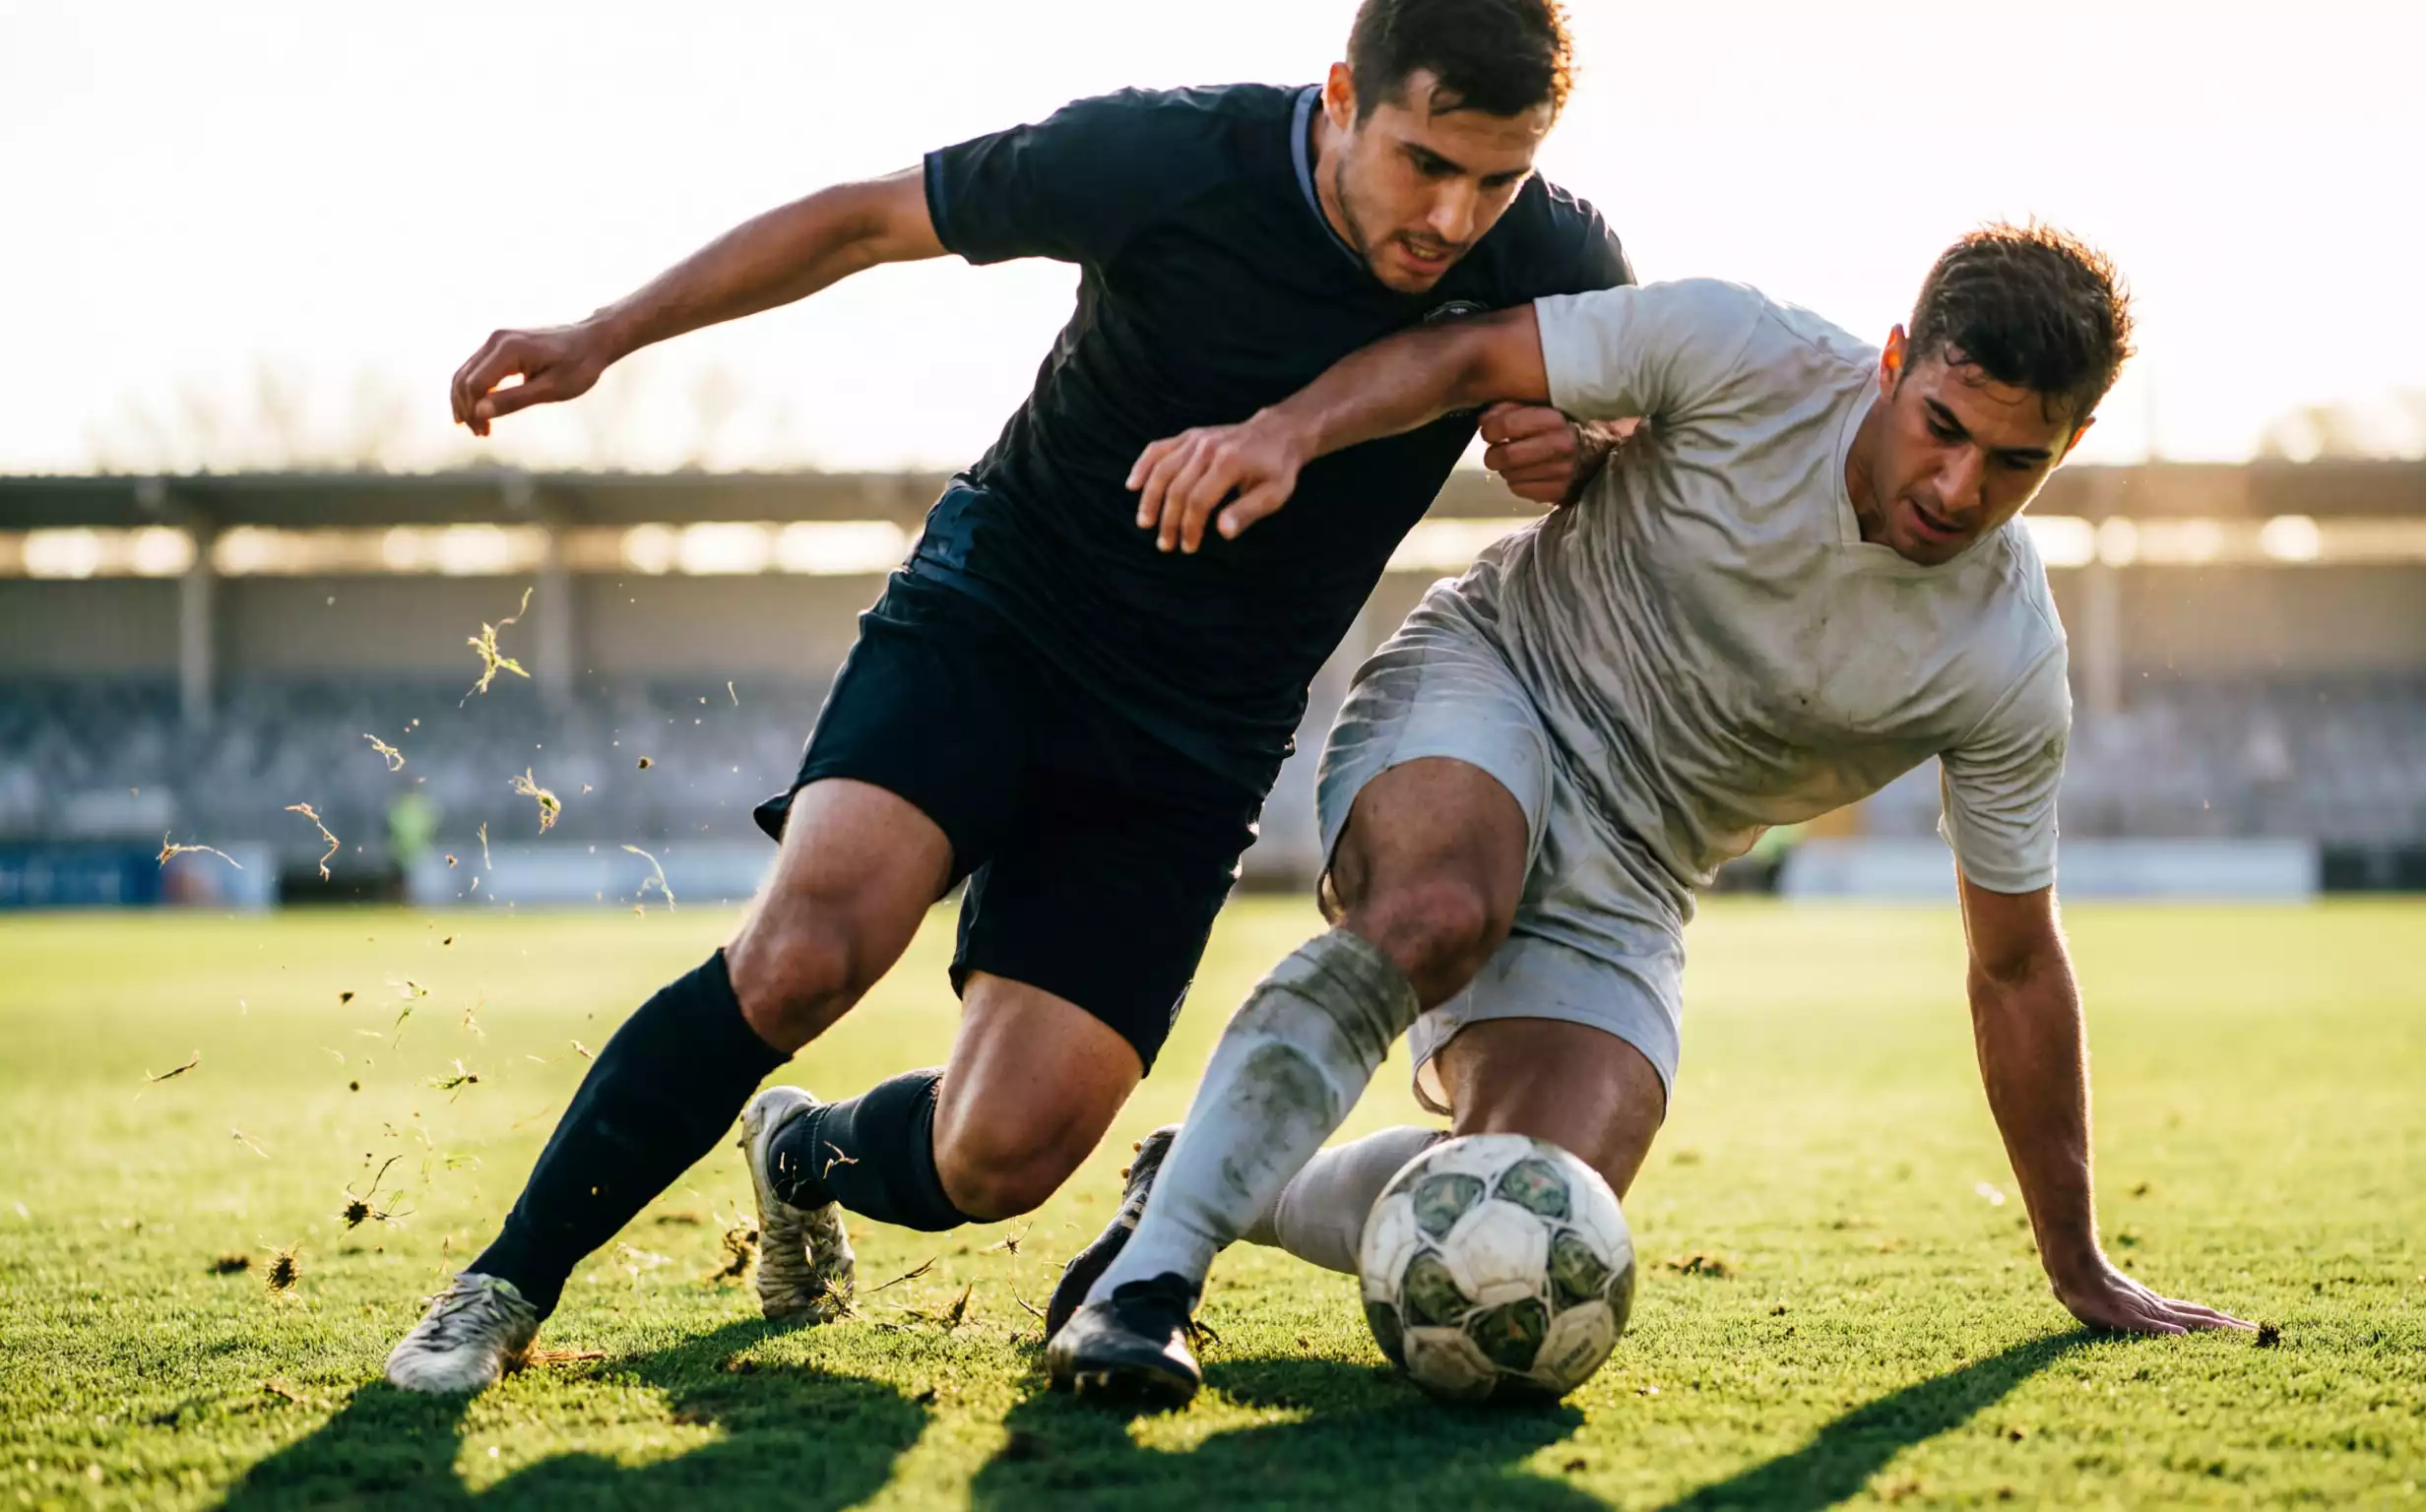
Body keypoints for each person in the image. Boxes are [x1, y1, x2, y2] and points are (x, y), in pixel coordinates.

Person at [383, 0, 1633, 1394]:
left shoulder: (1560, 260)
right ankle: (503, 1286)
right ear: (1345, 94)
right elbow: (866, 219)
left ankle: (801, 1155)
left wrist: (1580, 442)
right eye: (1425, 163)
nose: (1456, 218)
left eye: (1497, 178)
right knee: (808, 952)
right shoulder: (1167, 157)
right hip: (1004, 615)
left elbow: (1638, 426)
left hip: (1194, 737)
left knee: (1005, 1156)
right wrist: (604, 335)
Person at [1047, 224, 2255, 1406]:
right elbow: (1472, 357)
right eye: (1944, 426)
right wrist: (1282, 436)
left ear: (2073, 442)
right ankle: (1148, 1289)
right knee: (1440, 909)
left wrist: (2074, 1256)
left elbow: (2015, 963)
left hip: (1639, 872)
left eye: (2015, 463)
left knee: (1537, 1201)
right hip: (1497, 682)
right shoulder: (1743, 350)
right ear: (1894, 361)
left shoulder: (2003, 656)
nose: (1958, 485)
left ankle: (1204, 1182)